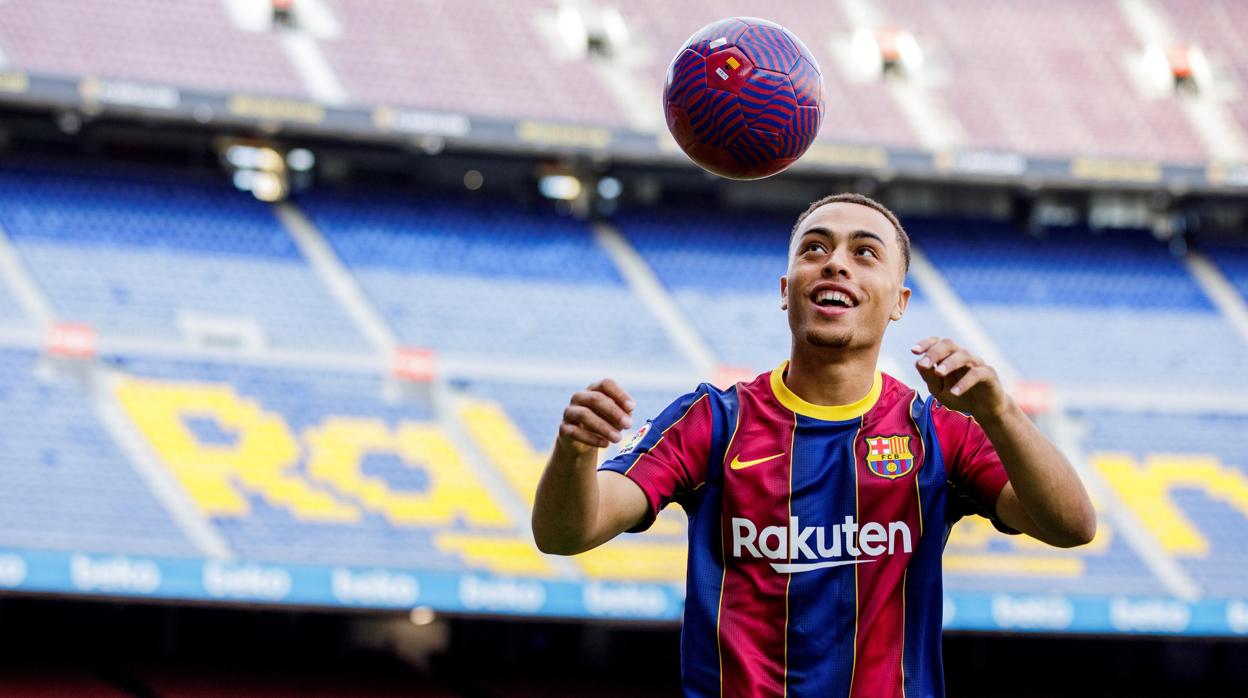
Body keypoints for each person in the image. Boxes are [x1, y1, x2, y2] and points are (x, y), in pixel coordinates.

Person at [531, 193, 1096, 698]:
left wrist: (999, 412)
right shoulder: (711, 420)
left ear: (899, 302)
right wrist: (576, 451)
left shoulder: (939, 430)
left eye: (864, 252)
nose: (836, 262)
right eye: (815, 248)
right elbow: (565, 533)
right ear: (786, 290)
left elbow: (1073, 526)